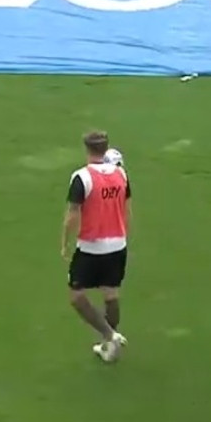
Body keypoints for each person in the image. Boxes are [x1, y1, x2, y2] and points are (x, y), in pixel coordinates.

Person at [61, 130, 129, 362]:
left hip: (91, 246)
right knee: (111, 293)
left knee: (76, 296)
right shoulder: (121, 174)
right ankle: (109, 346)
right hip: (118, 244)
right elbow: (126, 207)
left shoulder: (82, 177)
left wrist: (65, 242)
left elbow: (72, 214)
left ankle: (110, 335)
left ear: (87, 149)